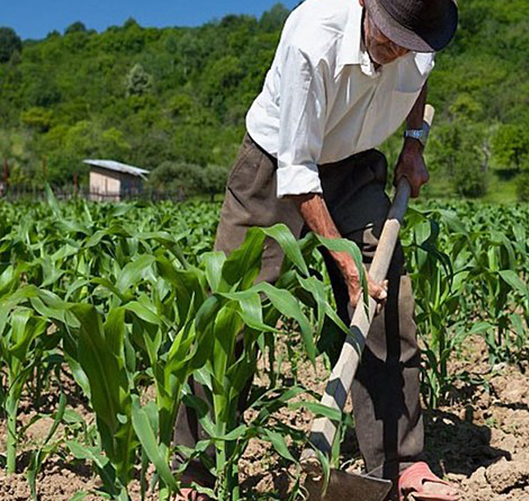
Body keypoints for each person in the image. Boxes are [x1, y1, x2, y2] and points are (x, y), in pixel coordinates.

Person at [172, 0, 459, 500]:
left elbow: (417, 83)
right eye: (388, 36)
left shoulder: (419, 35)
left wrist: (412, 143)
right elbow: (298, 174)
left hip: (355, 161)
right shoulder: (313, 36)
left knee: (391, 304)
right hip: (276, 165)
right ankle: (193, 467)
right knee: (231, 313)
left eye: (407, 44)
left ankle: (400, 462)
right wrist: (347, 267)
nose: (394, 51)